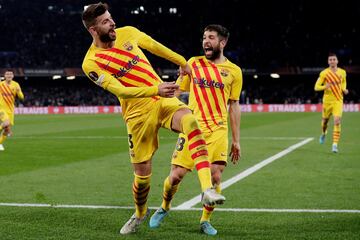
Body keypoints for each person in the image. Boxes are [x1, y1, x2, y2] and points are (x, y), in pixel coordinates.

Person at [81, 3, 225, 235]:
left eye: (111, 18)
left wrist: (183, 63)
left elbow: (157, 48)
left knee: (190, 121)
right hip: (137, 114)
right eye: (106, 21)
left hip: (161, 100)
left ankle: (207, 188)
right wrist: (155, 89)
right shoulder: (91, 63)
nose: (113, 23)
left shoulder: (128, 32)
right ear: (93, 30)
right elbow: (121, 91)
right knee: (142, 176)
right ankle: (139, 213)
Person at [149, 24, 242, 235]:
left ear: (222, 42)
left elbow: (234, 105)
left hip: (218, 130)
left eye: (210, 37)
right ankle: (164, 207)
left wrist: (236, 140)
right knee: (175, 176)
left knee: (215, 177)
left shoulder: (234, 72)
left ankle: (205, 220)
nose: (205, 41)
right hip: (193, 128)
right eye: (204, 37)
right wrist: (160, 88)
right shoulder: (192, 63)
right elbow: (178, 91)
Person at [315, 53, 348, 153]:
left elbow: (343, 82)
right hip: (327, 102)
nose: (332, 61)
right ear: (328, 61)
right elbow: (316, 87)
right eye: (330, 60)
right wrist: (325, 87)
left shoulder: (342, 72)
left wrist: (344, 89)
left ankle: (334, 145)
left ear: (337, 61)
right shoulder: (324, 73)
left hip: (338, 100)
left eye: (334, 59)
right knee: (325, 122)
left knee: (337, 121)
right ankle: (324, 133)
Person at [0, 70, 24, 151]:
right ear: (4, 76)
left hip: (11, 110)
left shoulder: (16, 84)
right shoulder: (1, 84)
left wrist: (18, 92)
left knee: (6, 130)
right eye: (7, 74)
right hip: (1, 109)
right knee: (6, 123)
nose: (9, 75)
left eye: (10, 74)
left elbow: (22, 97)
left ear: (13, 76)